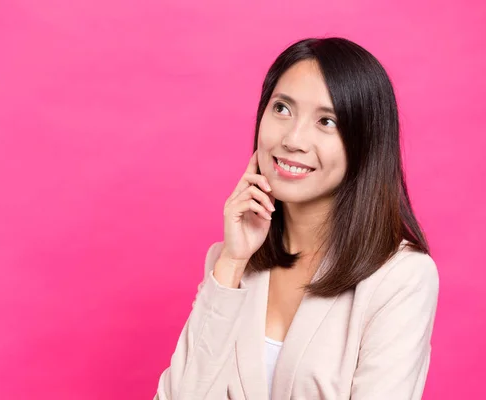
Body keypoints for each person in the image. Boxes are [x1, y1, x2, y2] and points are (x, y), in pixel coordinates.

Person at [154, 37, 439, 400]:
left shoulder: (401, 277)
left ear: (364, 142)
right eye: (282, 109)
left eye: (326, 120)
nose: (294, 139)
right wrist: (232, 262)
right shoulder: (230, 264)